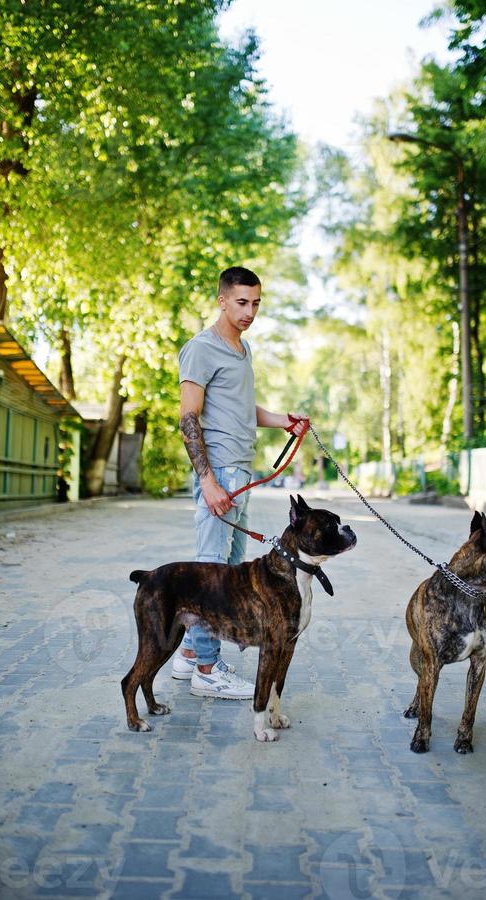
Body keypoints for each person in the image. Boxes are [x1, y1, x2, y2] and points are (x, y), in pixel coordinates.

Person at [173, 265, 307, 699]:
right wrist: (207, 481)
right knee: (211, 576)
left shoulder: (241, 350)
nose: (250, 312)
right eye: (242, 302)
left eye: (256, 303)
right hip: (221, 475)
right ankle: (208, 670)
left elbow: (242, 408)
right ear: (222, 300)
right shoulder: (201, 348)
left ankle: (190, 654)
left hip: (241, 474)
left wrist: (283, 421)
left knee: (229, 572)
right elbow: (188, 417)